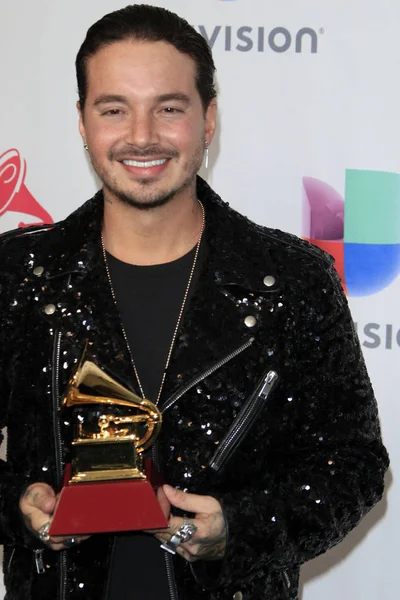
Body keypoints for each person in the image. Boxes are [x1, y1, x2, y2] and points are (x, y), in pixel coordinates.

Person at [0, 4, 389, 600]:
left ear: (208, 119)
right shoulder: (19, 275)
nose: (141, 137)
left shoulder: (292, 281)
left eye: (169, 108)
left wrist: (240, 527)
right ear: (82, 122)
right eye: (113, 110)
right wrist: (18, 506)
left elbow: (354, 465)